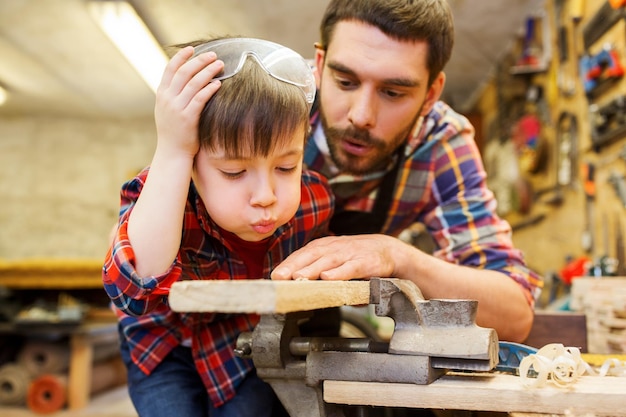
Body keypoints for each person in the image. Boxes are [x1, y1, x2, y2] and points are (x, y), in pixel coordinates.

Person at [271, 0, 543, 344]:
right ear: (320, 66)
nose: (362, 115)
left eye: (392, 92)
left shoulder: (439, 143)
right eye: (345, 81)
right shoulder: (270, 102)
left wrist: (398, 256)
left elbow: (514, 316)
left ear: (430, 95)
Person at [102, 38, 333, 417]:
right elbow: (133, 290)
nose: (265, 195)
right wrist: (173, 149)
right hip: (161, 342)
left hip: (239, 340)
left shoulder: (315, 202)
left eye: (286, 167)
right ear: (193, 164)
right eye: (235, 172)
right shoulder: (161, 190)